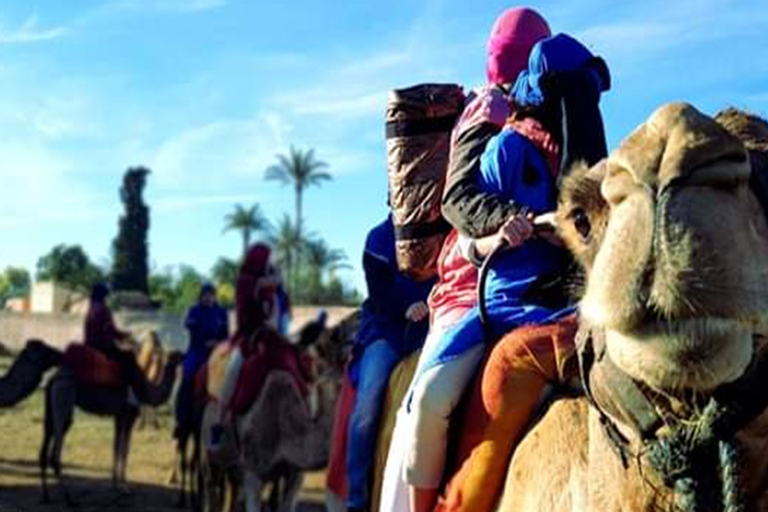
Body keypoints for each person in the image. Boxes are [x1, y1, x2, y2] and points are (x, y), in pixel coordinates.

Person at [404, 32, 610, 512]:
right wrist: (507, 229)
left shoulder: (598, 167)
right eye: (571, 92)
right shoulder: (503, 147)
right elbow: (465, 214)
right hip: (503, 304)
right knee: (430, 400)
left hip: (570, 305)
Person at [345, 215, 435, 512]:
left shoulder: (440, 233)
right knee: (368, 404)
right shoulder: (378, 240)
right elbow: (380, 293)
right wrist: (405, 308)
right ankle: (356, 498)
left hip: (433, 328)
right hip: (387, 330)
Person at [441, 7, 552, 239]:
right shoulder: (490, 107)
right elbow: (456, 199)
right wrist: (522, 218)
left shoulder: (520, 107)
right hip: (484, 260)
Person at [209, 244, 315, 449]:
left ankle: (306, 414)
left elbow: (275, 312)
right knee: (234, 370)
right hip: (248, 337)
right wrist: (275, 280)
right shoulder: (245, 282)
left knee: (300, 361)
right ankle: (219, 423)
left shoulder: (272, 289)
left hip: (272, 336)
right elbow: (257, 287)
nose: (270, 263)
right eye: (268, 259)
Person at [174, 283, 229, 437]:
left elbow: (227, 335)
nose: (208, 297)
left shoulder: (221, 312)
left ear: (215, 296)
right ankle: (181, 420)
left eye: (211, 294)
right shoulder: (194, 311)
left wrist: (218, 343)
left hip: (218, 353)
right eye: (206, 294)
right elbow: (192, 329)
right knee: (188, 376)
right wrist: (205, 342)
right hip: (197, 352)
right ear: (201, 296)